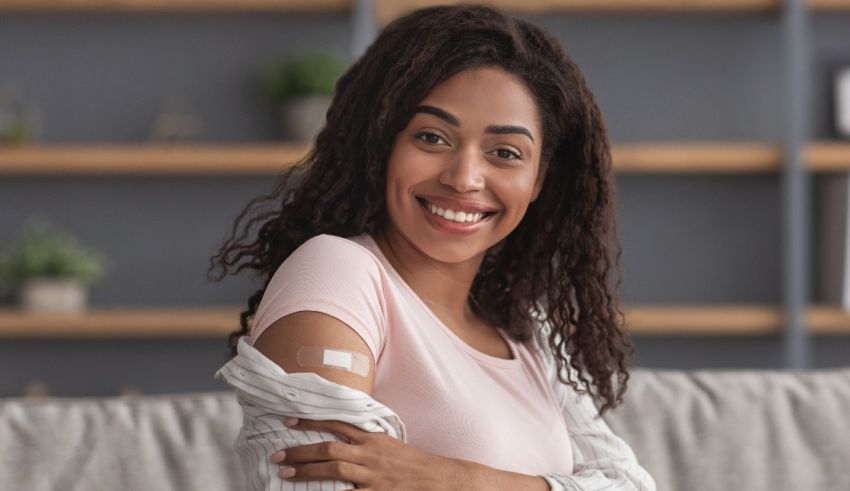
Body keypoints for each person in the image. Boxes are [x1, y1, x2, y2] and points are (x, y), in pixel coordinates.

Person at [210, 4, 655, 490]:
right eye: (432, 137)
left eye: (505, 153)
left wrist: (446, 476)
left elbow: (630, 485)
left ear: (538, 181)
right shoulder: (339, 273)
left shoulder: (530, 331)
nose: (464, 177)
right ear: (381, 145)